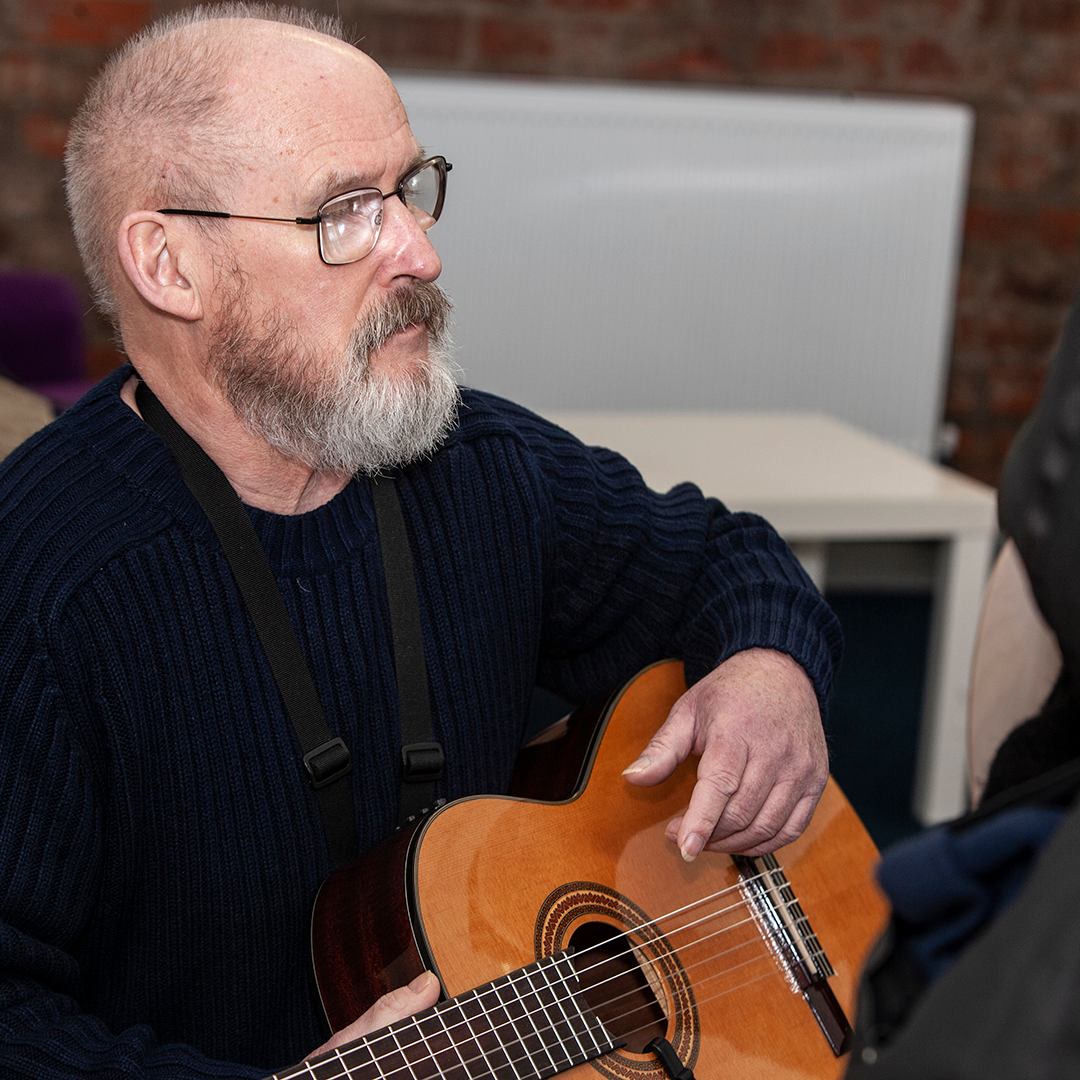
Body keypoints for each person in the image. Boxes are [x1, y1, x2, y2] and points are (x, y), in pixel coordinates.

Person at [0, 4, 842, 1077]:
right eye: (344, 211)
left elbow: (722, 557)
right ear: (171, 267)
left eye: (408, 188)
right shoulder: (40, 588)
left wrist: (769, 669)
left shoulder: (474, 463)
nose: (421, 253)